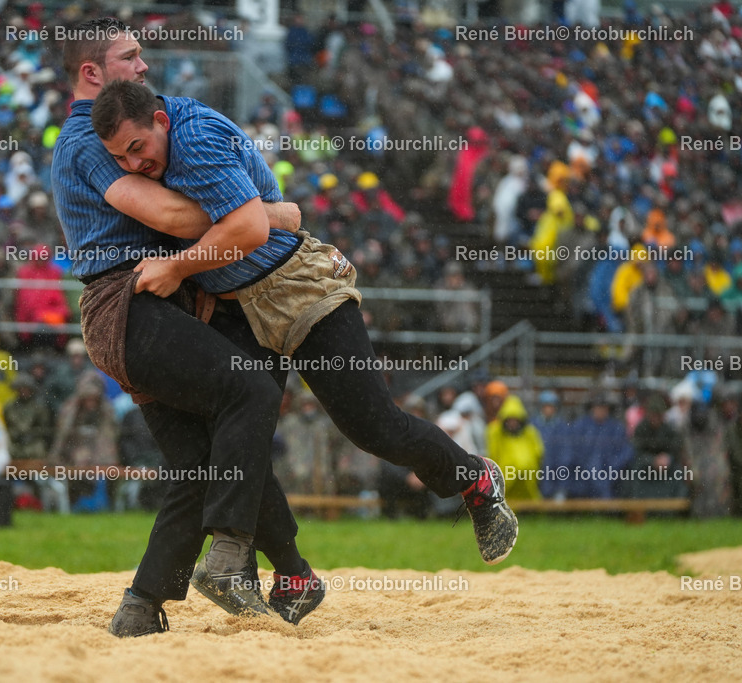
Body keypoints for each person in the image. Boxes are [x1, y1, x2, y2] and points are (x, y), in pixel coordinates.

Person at [93, 80, 516, 556]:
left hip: (298, 288)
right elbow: (254, 218)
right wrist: (273, 214)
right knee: (240, 438)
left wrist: (178, 265)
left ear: (160, 121)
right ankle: (290, 573)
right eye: (120, 159)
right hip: (240, 306)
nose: (133, 165)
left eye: (137, 148)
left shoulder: (195, 139)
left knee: (373, 426)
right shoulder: (158, 144)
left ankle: (475, 480)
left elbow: (247, 231)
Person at [52, 18, 319, 636]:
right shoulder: (97, 133)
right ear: (92, 74)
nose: (143, 67)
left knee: (202, 464)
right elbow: (172, 215)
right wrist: (267, 214)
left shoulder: (114, 124)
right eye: (130, 56)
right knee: (251, 391)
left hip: (148, 302)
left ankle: (144, 606)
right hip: (132, 301)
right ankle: (233, 557)